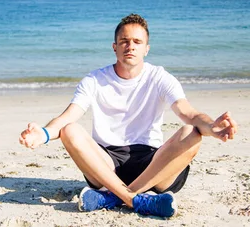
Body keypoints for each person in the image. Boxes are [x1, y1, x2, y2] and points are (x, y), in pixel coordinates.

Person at [18, 13, 238, 217]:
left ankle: (115, 197)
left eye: (137, 42)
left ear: (146, 49)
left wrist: (213, 127)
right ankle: (138, 200)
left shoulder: (160, 78)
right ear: (115, 47)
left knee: (191, 133)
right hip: (106, 166)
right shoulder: (95, 80)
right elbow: (69, 116)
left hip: (153, 165)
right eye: (124, 41)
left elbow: (189, 113)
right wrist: (44, 134)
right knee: (70, 130)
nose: (130, 46)